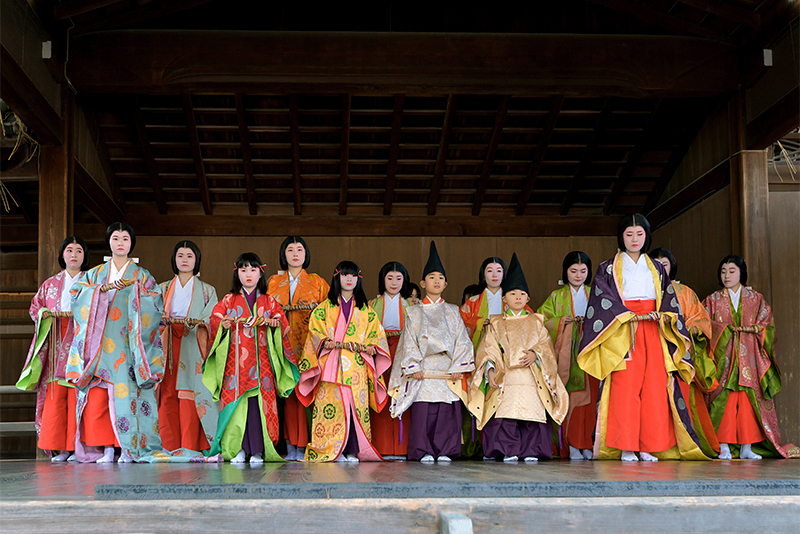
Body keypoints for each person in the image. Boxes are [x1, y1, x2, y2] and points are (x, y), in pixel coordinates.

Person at [577, 214, 705, 461]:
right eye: (629, 234)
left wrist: (664, 315)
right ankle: (626, 446)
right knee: (626, 388)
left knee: (654, 387)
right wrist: (625, 315)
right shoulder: (608, 268)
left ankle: (647, 445)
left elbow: (670, 300)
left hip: (654, 330)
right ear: (621, 236)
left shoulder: (656, 268)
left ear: (646, 236)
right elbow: (602, 300)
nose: (634, 239)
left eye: (639, 234)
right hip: (624, 331)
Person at [65, 223, 165, 463]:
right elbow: (77, 294)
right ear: (109, 242)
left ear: (131, 243)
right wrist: (100, 290)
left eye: (125, 239)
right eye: (116, 238)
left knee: (130, 397)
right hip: (100, 344)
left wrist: (138, 292)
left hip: (129, 345)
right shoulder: (96, 273)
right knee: (100, 398)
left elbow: (156, 303)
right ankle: (107, 448)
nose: (120, 243)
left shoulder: (142, 275)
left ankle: (130, 449)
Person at [469, 253, 568, 462]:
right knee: (506, 413)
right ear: (505, 298)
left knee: (532, 413)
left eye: (522, 294)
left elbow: (546, 346)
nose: (518, 298)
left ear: (528, 298)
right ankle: (508, 449)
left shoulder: (536, 321)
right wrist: (491, 370)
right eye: (513, 294)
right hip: (507, 376)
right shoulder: (496, 322)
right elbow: (488, 348)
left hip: (531, 376)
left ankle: (532, 450)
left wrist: (536, 354)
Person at [204, 252, 298, 464]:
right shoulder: (228, 300)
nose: (248, 274)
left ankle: (258, 450)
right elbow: (215, 319)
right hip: (235, 364)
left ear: (260, 273)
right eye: (243, 270)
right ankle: (236, 448)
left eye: (253, 270)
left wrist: (275, 323)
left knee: (258, 407)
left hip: (262, 362)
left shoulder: (269, 300)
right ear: (237, 273)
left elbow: (281, 319)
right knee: (236, 406)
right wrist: (223, 325)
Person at [703, 255, 799, 459]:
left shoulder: (756, 298)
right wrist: (723, 330)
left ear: (741, 273)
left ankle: (748, 446)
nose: (726, 275)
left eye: (731, 271)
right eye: (723, 271)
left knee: (748, 401)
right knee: (724, 400)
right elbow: (705, 325)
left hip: (749, 355)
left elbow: (767, 322)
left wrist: (754, 329)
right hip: (725, 356)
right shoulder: (713, 299)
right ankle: (723, 445)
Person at [296, 261, 391, 462]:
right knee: (332, 408)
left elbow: (376, 334)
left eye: (353, 275)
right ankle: (330, 449)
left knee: (354, 406)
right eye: (345, 275)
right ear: (337, 277)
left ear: (358, 279)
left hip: (356, 365)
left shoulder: (366, 310)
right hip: (331, 363)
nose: (349, 279)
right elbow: (315, 332)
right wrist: (324, 342)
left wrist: (373, 346)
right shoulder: (324, 308)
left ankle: (351, 449)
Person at [388, 241, 475, 462]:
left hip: (447, 370)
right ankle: (423, 450)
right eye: (432, 278)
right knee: (424, 411)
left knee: (447, 412)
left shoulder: (454, 311)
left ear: (446, 284)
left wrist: (459, 367)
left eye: (440, 278)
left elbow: (462, 341)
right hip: (424, 370)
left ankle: (445, 450)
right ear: (422, 283)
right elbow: (408, 343)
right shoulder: (413, 312)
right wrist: (413, 367)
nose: (436, 281)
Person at [17, 237, 90, 462]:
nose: (74, 254)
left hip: (80, 340)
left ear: (85, 256)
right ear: (62, 255)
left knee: (77, 393)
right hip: (56, 336)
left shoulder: (91, 282)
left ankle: (78, 447)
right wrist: (44, 315)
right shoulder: (50, 284)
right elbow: (35, 307)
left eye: (79, 250)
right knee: (56, 394)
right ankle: (60, 448)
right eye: (69, 250)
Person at [649, 247, 720, 458]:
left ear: (672, 266)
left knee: (682, 396)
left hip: (680, 351)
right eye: (657, 263)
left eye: (665, 263)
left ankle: (686, 442)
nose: (661, 267)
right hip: (654, 349)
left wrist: (690, 329)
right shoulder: (644, 289)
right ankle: (657, 445)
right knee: (654, 397)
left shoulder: (684, 292)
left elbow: (700, 318)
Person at [267, 236, 330, 460]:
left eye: (299, 249)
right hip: (281, 344)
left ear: (306, 254)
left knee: (308, 391)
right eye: (290, 249)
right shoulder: (274, 282)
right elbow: (266, 309)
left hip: (309, 345)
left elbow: (328, 312)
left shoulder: (318, 282)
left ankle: (309, 443)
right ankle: (289, 444)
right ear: (283, 254)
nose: (295, 253)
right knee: (287, 393)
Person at [157, 240, 219, 454]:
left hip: (193, 341)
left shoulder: (207, 291)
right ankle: (168, 445)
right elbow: (151, 315)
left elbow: (212, 319)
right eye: (180, 255)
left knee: (190, 394)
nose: (184, 260)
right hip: (167, 342)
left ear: (197, 260)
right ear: (174, 259)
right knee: (166, 393)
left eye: (189, 256)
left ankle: (190, 445)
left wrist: (197, 322)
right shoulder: (162, 288)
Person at [536, 251, 597, 460]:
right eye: (573, 271)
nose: (578, 275)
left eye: (583, 271)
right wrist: (564, 321)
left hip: (589, 350)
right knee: (568, 399)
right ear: (566, 271)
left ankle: (586, 443)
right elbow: (543, 321)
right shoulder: (556, 296)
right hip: (565, 355)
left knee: (589, 401)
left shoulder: (596, 293)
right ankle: (569, 444)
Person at [369, 262, 413, 459]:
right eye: (390, 278)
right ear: (382, 280)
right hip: (380, 351)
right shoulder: (371, 305)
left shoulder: (412, 307)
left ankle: (402, 446)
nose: (394, 283)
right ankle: (382, 446)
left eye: (398, 278)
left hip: (403, 352)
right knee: (381, 395)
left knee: (402, 395)